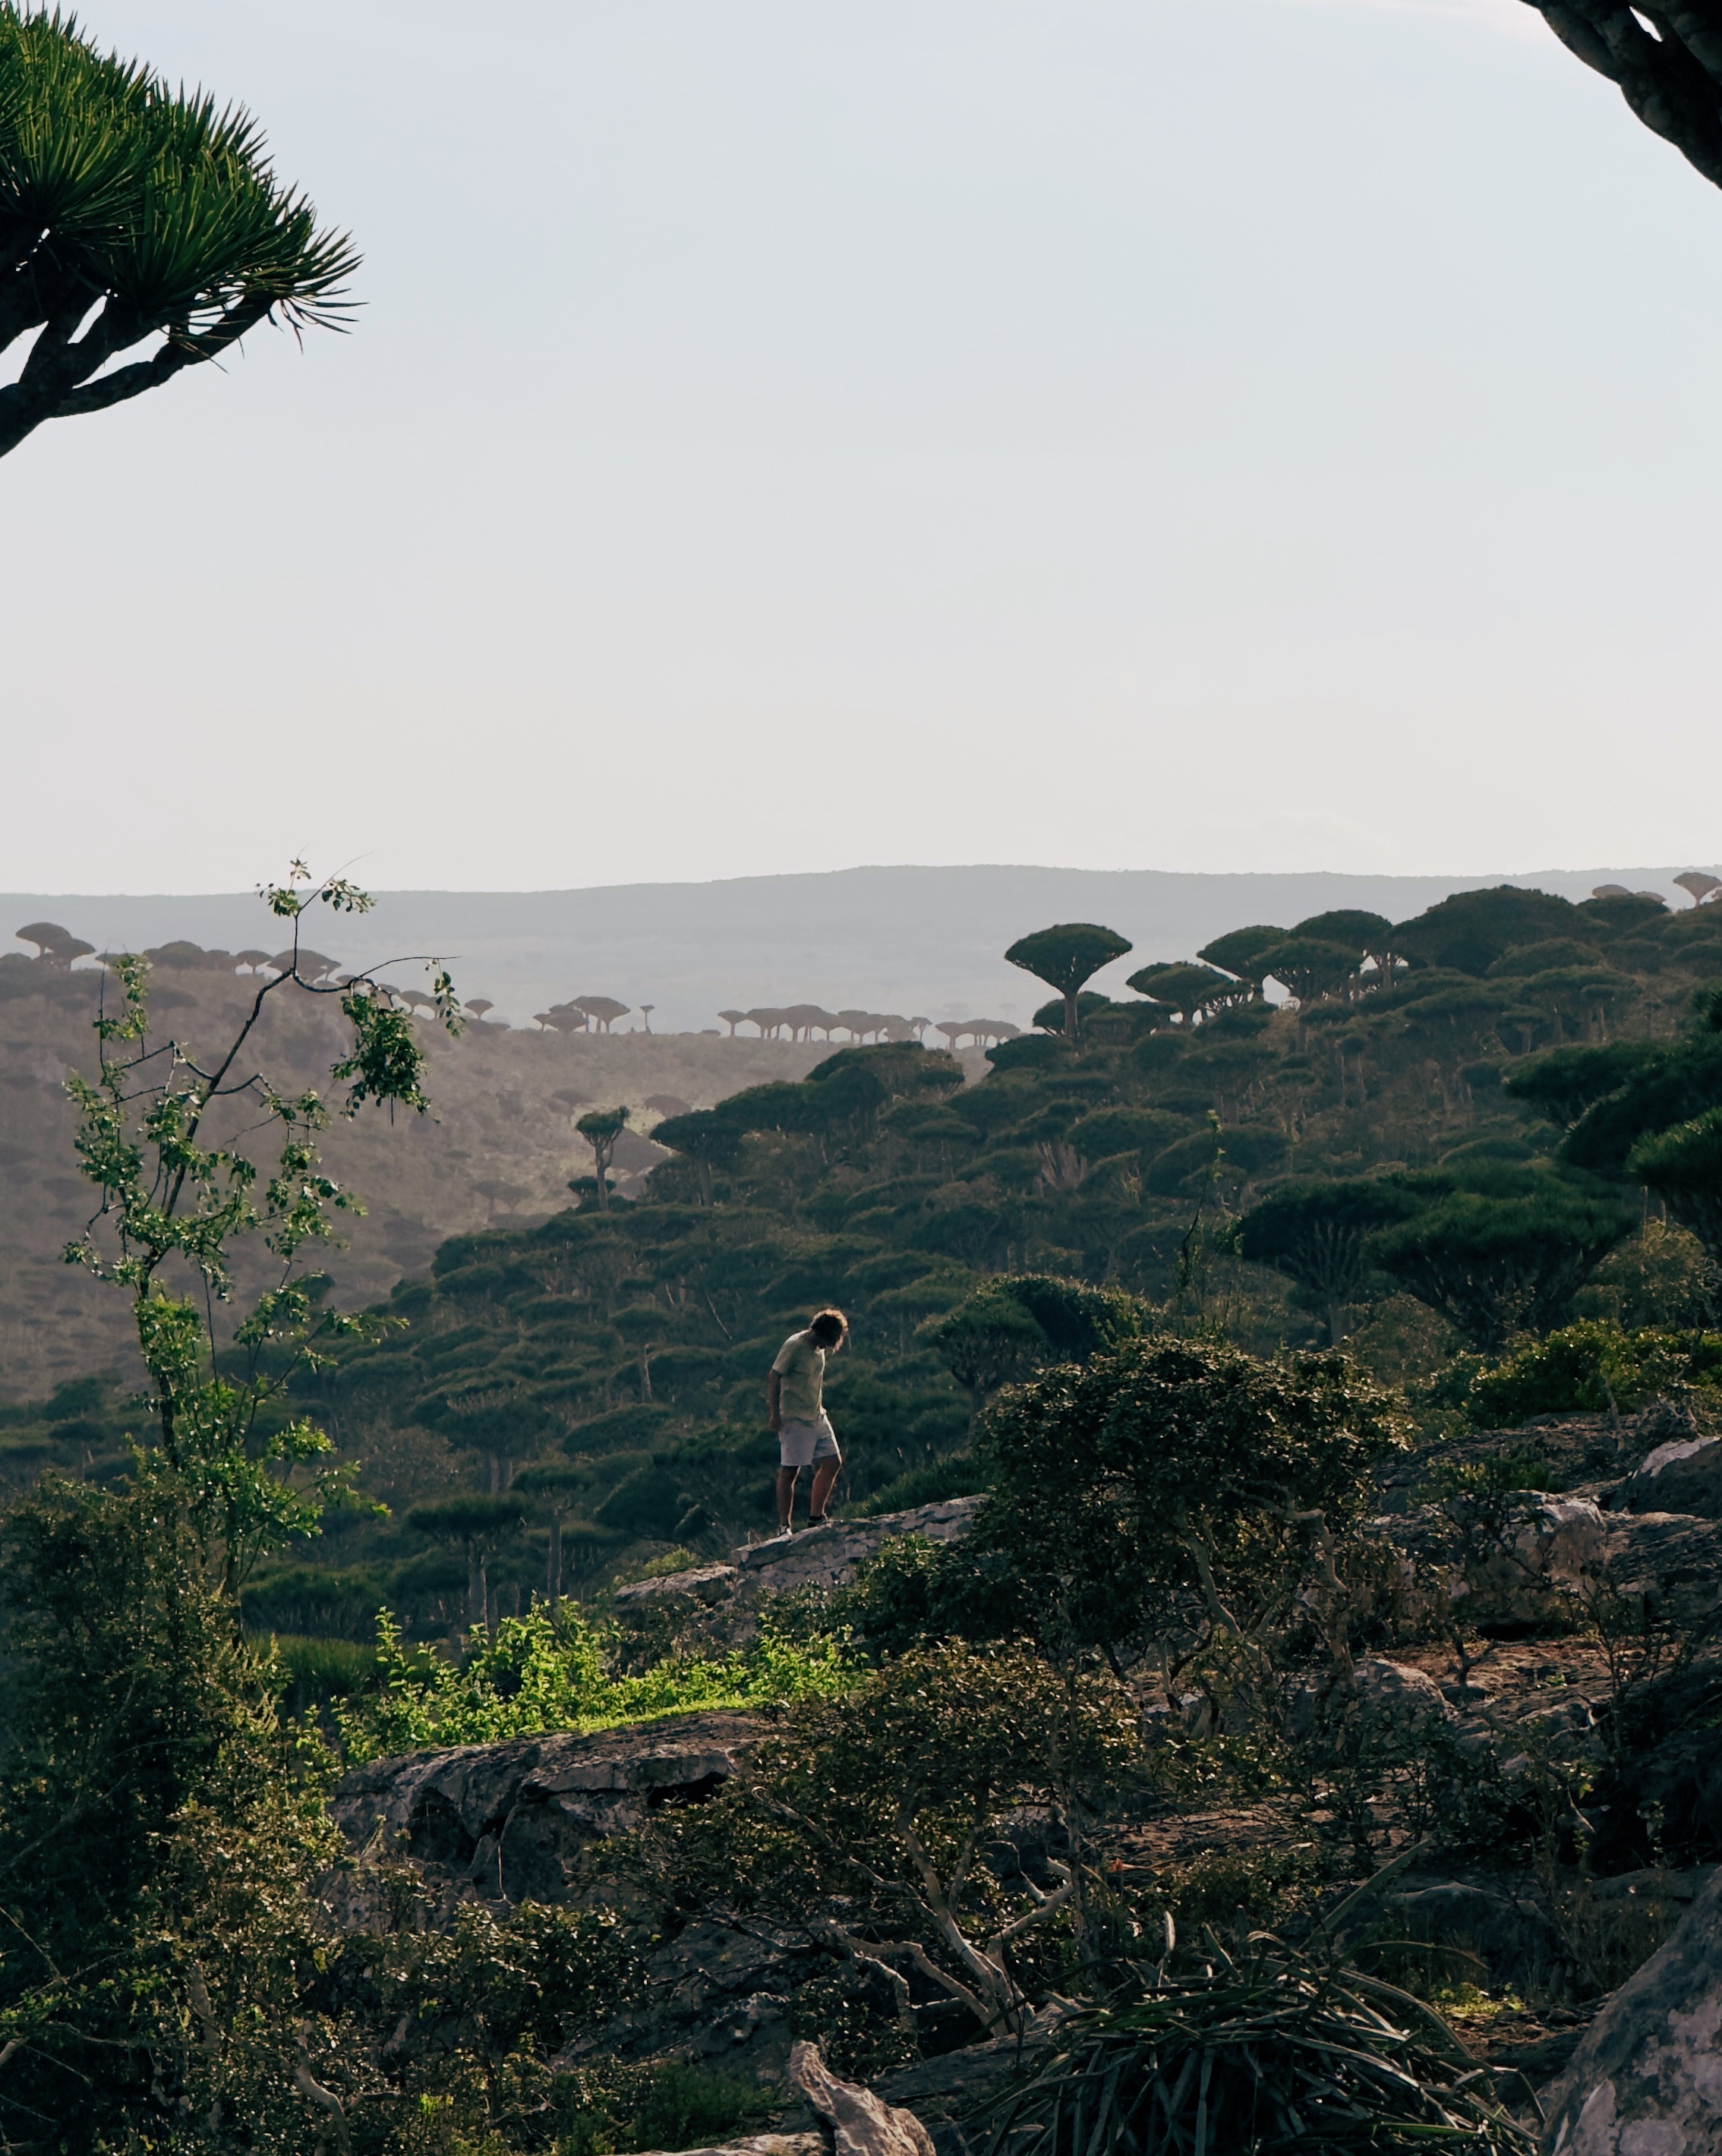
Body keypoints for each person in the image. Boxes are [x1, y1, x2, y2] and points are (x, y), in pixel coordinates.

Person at [768, 1307, 847, 1533]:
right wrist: (775, 1413)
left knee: (833, 1462)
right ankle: (784, 1527)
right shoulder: (795, 1346)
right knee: (790, 1471)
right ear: (820, 1333)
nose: (827, 1347)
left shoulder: (819, 1347)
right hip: (794, 1418)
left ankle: (816, 1517)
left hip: (816, 1415)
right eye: (828, 1341)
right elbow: (774, 1377)